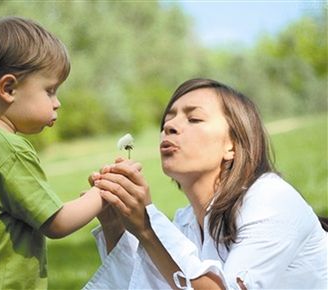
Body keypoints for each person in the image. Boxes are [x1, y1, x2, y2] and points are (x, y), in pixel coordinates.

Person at [85, 78, 328, 289]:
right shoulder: (186, 221)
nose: (169, 127)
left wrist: (148, 228)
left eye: (194, 118)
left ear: (231, 145)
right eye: (166, 122)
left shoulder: (272, 201)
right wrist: (115, 225)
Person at [0, 16, 106, 290]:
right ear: (8, 88)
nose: (57, 103)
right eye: (50, 91)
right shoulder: (8, 148)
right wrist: (103, 193)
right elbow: (56, 222)